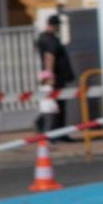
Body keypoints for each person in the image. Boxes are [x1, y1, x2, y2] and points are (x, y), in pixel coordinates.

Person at [34, 12, 76, 140]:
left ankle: (54, 131)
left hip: (54, 77)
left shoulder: (44, 38)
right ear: (54, 25)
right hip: (56, 78)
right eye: (58, 25)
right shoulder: (50, 40)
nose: (58, 28)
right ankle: (54, 132)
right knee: (57, 106)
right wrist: (50, 77)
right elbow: (49, 57)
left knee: (54, 105)